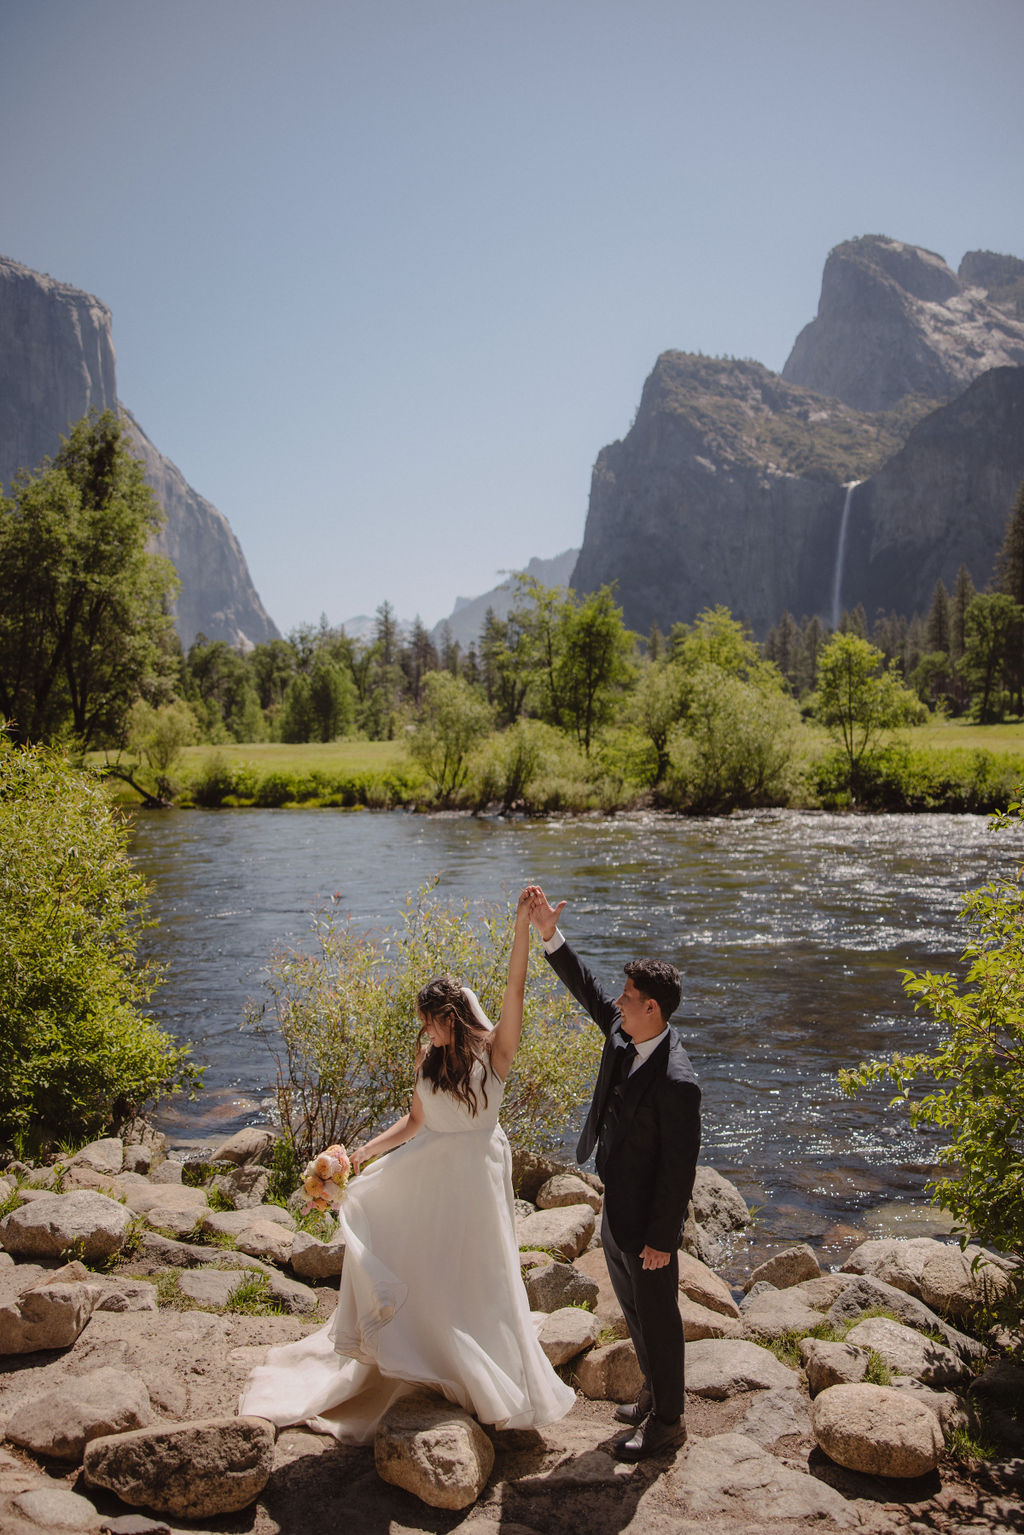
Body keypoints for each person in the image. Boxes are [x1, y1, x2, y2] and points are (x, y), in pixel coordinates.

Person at [239, 889, 575, 1444]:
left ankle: (478, 1374)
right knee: (422, 1266)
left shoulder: (497, 1052)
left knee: (476, 1276)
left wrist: (522, 926)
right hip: (424, 1174)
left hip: (476, 1178)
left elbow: (515, 987)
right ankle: (426, 1361)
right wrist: (360, 1154)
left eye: (431, 1024)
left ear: (450, 1015)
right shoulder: (428, 1058)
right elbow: (415, 1120)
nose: (426, 1033)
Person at [526, 885, 701, 1462]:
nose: (619, 1002)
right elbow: (587, 990)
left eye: (630, 997)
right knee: (633, 1311)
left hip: (648, 1221)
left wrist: (661, 1239)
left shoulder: (678, 1082)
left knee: (660, 1316)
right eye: (624, 996)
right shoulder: (624, 1034)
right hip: (614, 1203)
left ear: (653, 1007)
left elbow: (679, 1169)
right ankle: (653, 1395)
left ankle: (670, 1422)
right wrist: (548, 934)